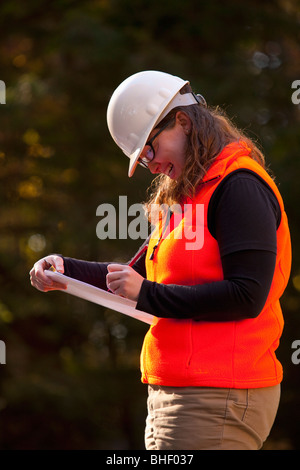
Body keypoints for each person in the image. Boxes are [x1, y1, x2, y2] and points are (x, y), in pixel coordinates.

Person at [30, 70, 292, 450]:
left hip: (218, 394)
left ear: (183, 122)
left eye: (149, 150)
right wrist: (65, 270)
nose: (150, 165)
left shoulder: (239, 187)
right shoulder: (191, 196)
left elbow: (247, 296)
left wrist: (147, 294)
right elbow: (135, 277)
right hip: (183, 393)